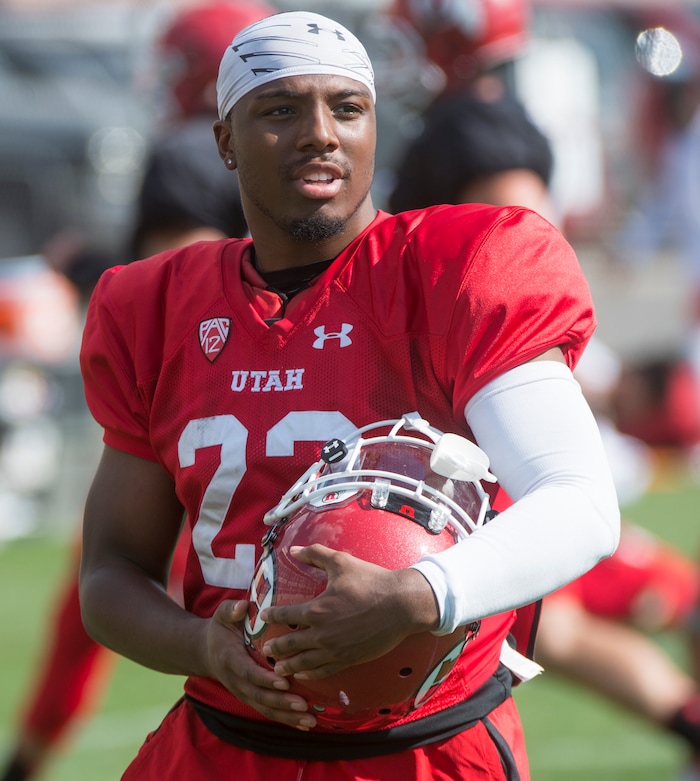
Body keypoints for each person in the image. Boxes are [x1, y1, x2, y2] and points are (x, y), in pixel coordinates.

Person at [76, 10, 619, 779]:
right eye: (280, 109)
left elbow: (580, 501)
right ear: (225, 141)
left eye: (347, 107)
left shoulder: (459, 269)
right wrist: (201, 644)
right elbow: (109, 573)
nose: (321, 132)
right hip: (220, 744)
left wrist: (416, 594)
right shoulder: (156, 305)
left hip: (424, 750)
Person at [383, 4, 700, 768]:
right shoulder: (472, 122)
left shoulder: (477, 131)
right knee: (536, 624)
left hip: (477, 423)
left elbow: (523, 274)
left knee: (530, 614)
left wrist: (565, 374)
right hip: (457, 421)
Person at [0, 4, 274, 780]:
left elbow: (182, 291)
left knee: (112, 584)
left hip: (199, 425)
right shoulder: (274, 157)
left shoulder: (192, 152)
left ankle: (26, 762)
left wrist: (92, 273)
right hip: (278, 402)